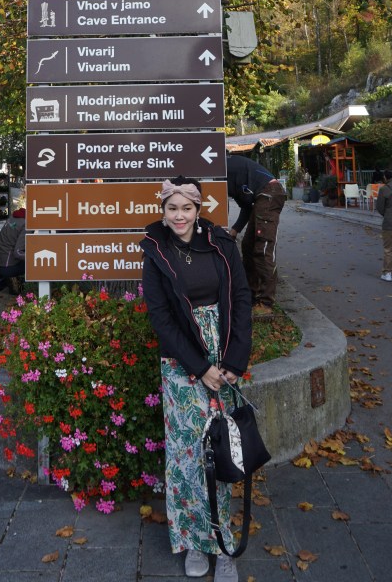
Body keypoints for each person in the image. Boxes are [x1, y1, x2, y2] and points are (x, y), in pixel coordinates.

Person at [141, 176, 252, 582]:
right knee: (187, 455)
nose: (179, 216)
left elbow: (241, 298)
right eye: (172, 208)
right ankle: (192, 540)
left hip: (224, 356)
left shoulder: (221, 244)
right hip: (181, 362)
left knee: (221, 451)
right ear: (163, 211)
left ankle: (222, 546)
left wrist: (234, 360)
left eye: (186, 208)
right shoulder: (155, 251)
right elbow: (161, 317)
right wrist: (199, 367)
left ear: (198, 209)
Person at [226, 153, 286, 319]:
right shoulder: (231, 172)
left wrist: (232, 230)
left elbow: (231, 205)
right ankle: (251, 295)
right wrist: (235, 230)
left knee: (262, 248)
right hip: (262, 196)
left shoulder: (222, 168)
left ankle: (266, 303)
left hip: (269, 194)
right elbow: (246, 206)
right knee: (248, 246)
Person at [0, 207, 26, 295]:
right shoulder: (26, 224)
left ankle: (3, 282)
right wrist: (34, 257)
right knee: (35, 264)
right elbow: (18, 253)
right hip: (6, 267)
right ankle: (18, 287)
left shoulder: (13, 217)